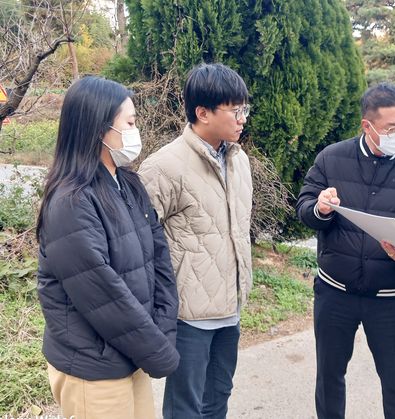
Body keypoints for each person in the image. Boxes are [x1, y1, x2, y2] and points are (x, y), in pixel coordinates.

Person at [36, 76, 180, 419]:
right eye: (129, 123)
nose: (135, 131)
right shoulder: (71, 202)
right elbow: (103, 293)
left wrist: (163, 331)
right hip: (93, 368)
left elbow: (159, 259)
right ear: (99, 129)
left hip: (132, 355)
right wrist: (158, 350)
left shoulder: (127, 183)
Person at [296, 82, 395, 419]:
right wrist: (321, 208)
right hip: (335, 294)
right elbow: (304, 207)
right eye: (393, 127)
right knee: (330, 377)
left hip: (390, 298)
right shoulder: (332, 158)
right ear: (368, 126)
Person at [138, 63, 253, 419]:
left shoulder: (239, 160)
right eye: (235, 111)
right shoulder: (164, 167)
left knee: (218, 396)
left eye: (245, 109)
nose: (242, 119)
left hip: (229, 309)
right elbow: (139, 242)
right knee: (185, 407)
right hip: (189, 316)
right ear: (202, 112)